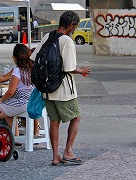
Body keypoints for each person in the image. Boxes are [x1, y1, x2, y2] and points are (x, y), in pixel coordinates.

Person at [30, 11, 91, 165]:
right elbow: (69, 68)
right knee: (76, 118)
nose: (75, 29)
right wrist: (81, 70)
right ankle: (68, 151)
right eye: (75, 26)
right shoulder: (67, 41)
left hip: (47, 90)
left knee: (54, 122)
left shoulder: (47, 37)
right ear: (71, 25)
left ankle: (55, 156)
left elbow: (33, 59)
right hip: (64, 91)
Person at [0, 43, 40, 145]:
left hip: (21, 103)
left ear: (14, 58)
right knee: (7, 112)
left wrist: (0, 101)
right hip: (31, 102)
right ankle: (16, 138)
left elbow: (10, 92)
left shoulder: (18, 71)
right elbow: (2, 78)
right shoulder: (31, 69)